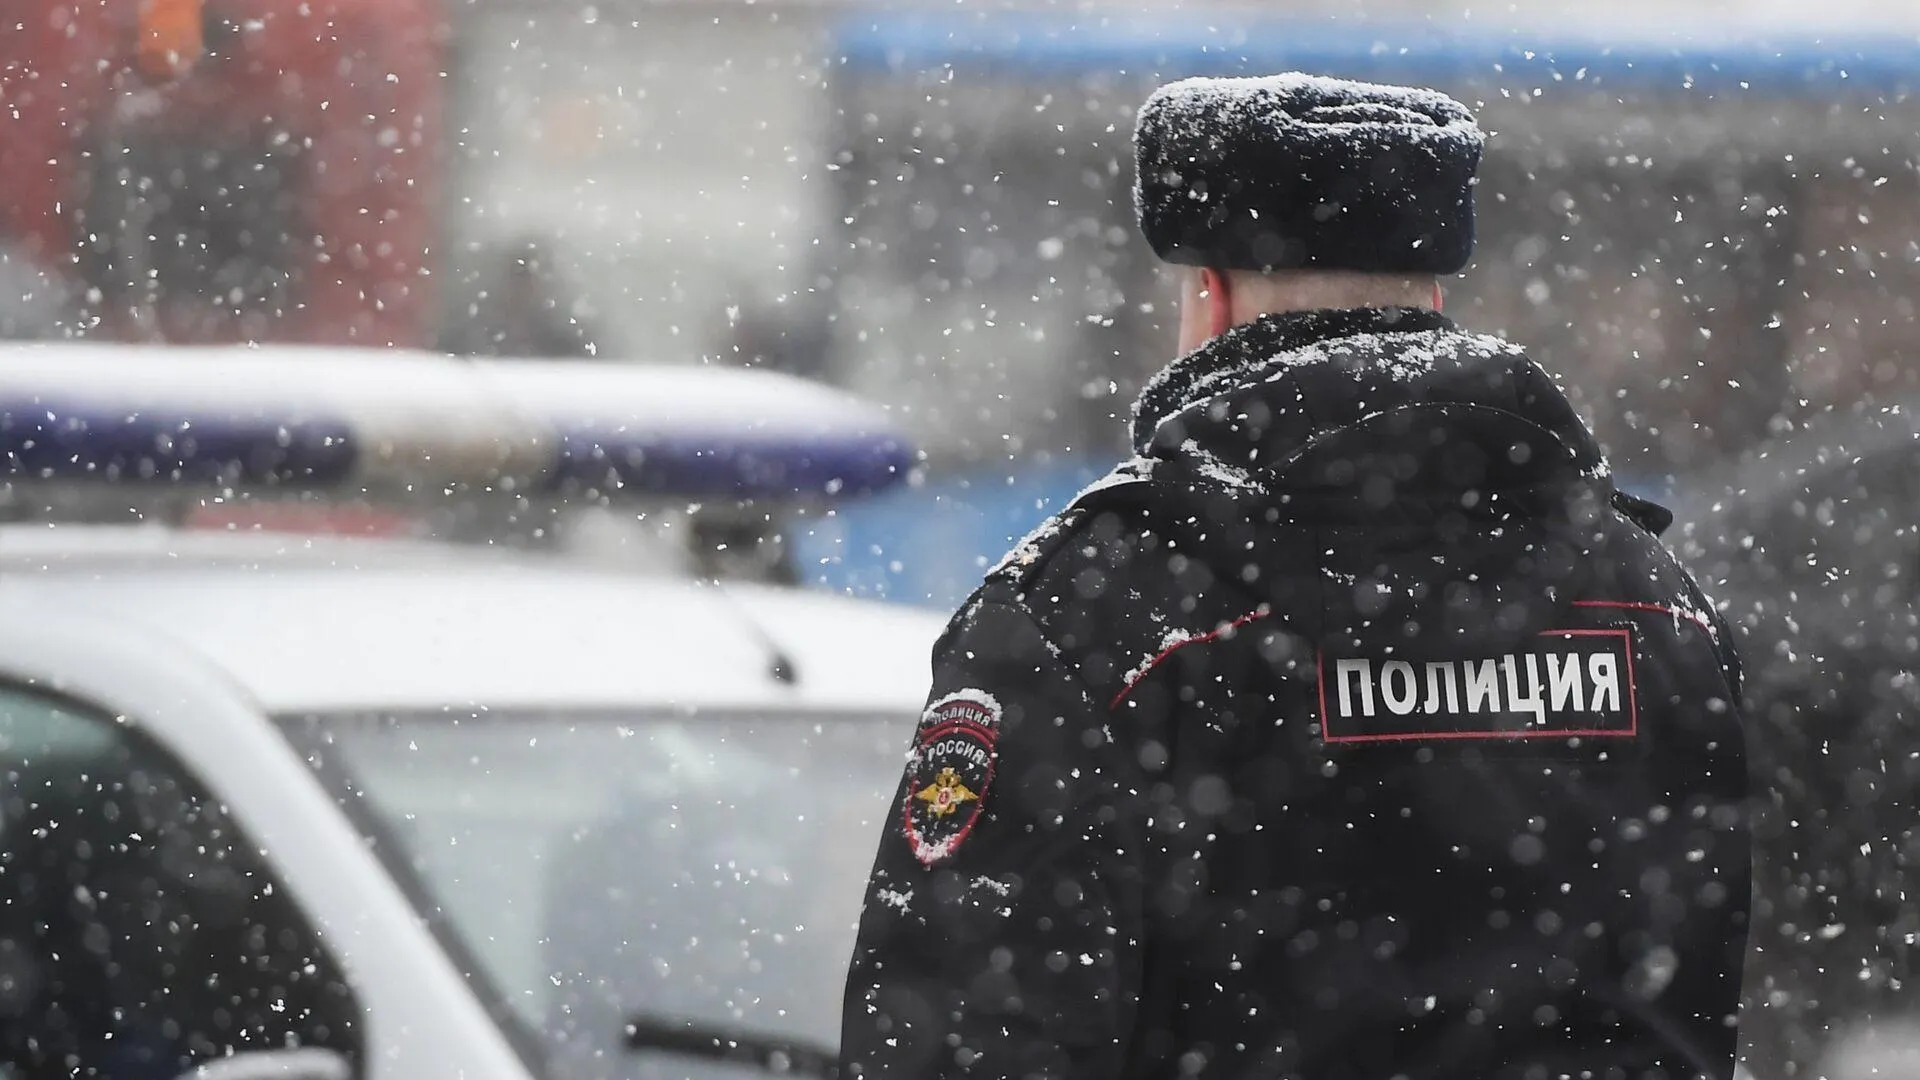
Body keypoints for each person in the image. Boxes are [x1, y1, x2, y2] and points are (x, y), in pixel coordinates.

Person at [839, 73, 1752, 1080]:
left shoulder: (1101, 610)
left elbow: (961, 1035)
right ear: (1434, 298)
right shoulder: (1653, 604)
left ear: (1209, 297)